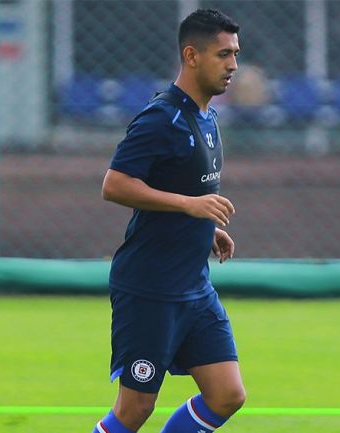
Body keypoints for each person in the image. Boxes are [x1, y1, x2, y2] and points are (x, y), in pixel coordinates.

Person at [94, 8, 245, 433]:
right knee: (135, 409)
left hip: (194, 287)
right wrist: (189, 206)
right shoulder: (161, 118)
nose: (233, 65)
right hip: (149, 288)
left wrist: (204, 227)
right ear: (192, 56)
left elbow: (180, 190)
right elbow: (115, 184)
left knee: (227, 394)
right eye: (223, 54)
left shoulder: (209, 118)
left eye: (235, 54)